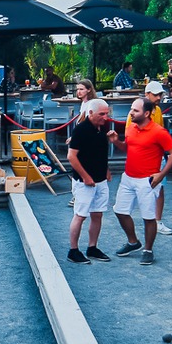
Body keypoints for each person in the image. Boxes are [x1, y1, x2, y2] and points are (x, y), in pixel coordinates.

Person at [112, 96, 172, 264]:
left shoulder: (159, 132)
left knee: (149, 217)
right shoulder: (131, 128)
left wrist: (161, 175)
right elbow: (129, 148)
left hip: (147, 180)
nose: (131, 112)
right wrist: (116, 142)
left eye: (135, 110)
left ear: (147, 113)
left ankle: (148, 250)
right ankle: (133, 242)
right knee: (119, 210)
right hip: (128, 177)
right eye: (131, 109)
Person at [66, 98, 115, 264]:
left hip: (100, 180)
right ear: (91, 113)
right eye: (102, 114)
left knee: (97, 214)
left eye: (107, 113)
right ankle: (73, 250)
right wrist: (86, 177)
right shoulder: (81, 130)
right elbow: (71, 157)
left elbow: (100, 152)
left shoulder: (101, 128)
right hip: (84, 182)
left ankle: (92, 247)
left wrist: (106, 170)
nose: (105, 117)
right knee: (80, 215)